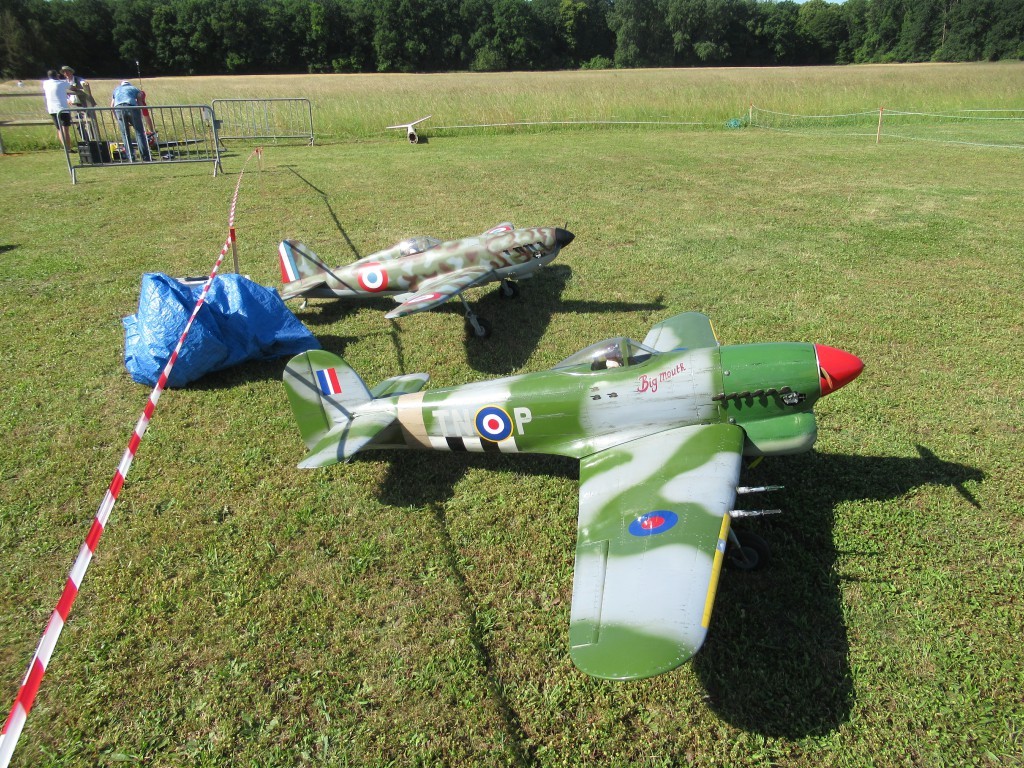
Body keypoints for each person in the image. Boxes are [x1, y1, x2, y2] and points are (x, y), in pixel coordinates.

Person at [110, 79, 152, 162]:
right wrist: (140, 115)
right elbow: (140, 102)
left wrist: (117, 118)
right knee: (139, 133)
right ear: (129, 84)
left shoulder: (116, 90)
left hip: (118, 109)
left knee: (125, 134)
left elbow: (112, 106)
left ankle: (131, 157)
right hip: (132, 107)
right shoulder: (134, 88)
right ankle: (145, 157)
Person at [61, 65, 98, 141]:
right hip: (74, 104)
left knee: (90, 120)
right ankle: (85, 140)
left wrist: (84, 84)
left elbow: (84, 83)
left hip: (85, 103)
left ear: (71, 72)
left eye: (67, 71)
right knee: (78, 122)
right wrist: (67, 100)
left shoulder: (78, 79)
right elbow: (64, 93)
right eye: (64, 72)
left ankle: (94, 139)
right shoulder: (64, 82)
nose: (66, 73)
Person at [42, 70, 71, 149]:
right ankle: (68, 148)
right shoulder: (62, 83)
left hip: (52, 109)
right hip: (62, 108)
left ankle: (65, 148)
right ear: (57, 76)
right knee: (65, 129)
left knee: (59, 129)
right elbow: (72, 87)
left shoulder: (45, 83)